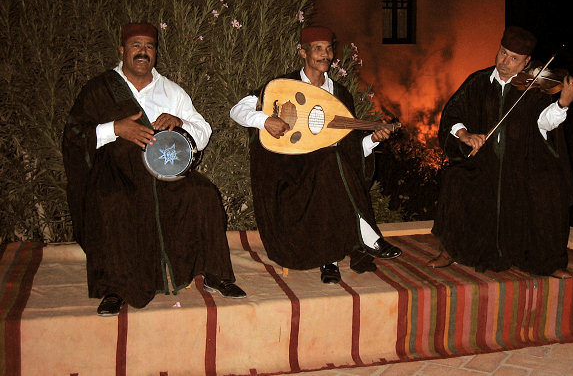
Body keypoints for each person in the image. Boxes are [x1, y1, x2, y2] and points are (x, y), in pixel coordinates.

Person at [63, 22, 246, 316]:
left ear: (155, 53)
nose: (142, 52)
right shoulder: (99, 89)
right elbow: (74, 134)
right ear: (122, 51)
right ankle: (115, 288)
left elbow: (203, 131)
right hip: (117, 174)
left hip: (166, 174)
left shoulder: (172, 91)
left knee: (203, 194)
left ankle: (215, 273)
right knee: (111, 202)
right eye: (135, 45)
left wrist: (180, 122)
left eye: (149, 46)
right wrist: (116, 128)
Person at [230, 26, 402, 284]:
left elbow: (351, 148)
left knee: (330, 161)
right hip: (291, 168)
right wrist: (264, 120)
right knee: (329, 162)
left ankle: (329, 260)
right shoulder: (283, 85)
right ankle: (366, 236)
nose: (326, 54)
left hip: (330, 167)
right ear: (303, 53)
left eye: (329, 48)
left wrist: (373, 140)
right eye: (318, 49)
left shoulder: (340, 94)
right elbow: (237, 110)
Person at [429, 26, 573, 278]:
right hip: (484, 163)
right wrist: (464, 135)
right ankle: (451, 250)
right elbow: (452, 115)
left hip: (521, 163)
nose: (504, 62)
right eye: (503, 53)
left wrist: (563, 103)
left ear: (527, 62)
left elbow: (545, 123)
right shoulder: (478, 82)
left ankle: (547, 261)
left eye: (514, 58)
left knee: (548, 189)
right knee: (456, 180)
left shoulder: (535, 88)